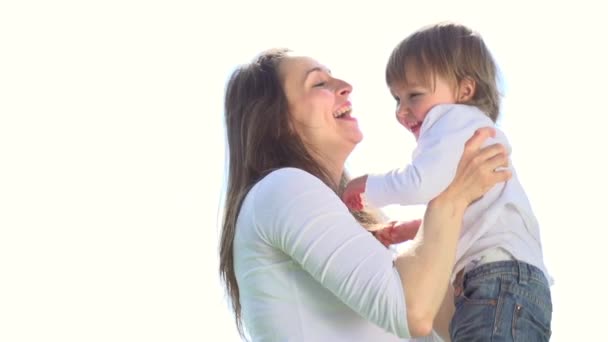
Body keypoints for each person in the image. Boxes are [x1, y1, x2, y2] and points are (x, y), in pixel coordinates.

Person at [219, 47, 511, 341]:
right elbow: (413, 314)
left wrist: (445, 239)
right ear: (278, 122)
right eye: (319, 83)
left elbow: (453, 329)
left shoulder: (357, 218)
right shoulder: (282, 187)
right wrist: (454, 196)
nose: (345, 87)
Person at [342, 22, 552, 341]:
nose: (402, 111)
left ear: (465, 90)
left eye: (414, 95)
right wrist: (414, 230)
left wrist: (365, 188)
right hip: (517, 285)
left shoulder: (451, 119)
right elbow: (471, 214)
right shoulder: (469, 135)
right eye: (397, 99)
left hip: (495, 282)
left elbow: (420, 183)